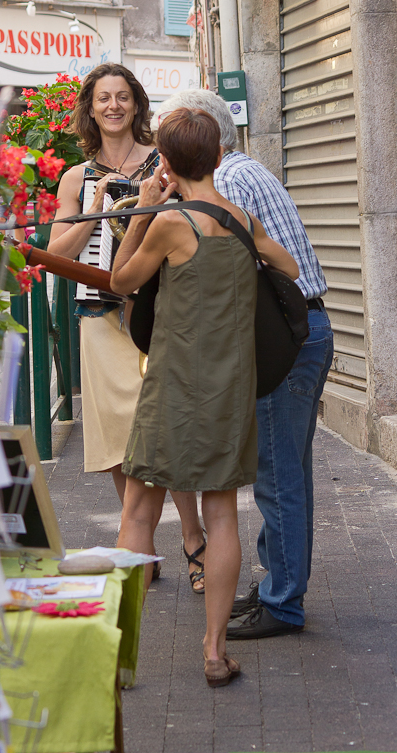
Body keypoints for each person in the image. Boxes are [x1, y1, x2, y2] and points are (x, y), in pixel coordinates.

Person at [110, 108, 299, 685]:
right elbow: (288, 268)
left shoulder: (172, 223)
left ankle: (120, 657)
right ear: (219, 157)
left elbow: (121, 280)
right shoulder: (240, 218)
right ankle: (215, 653)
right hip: (227, 391)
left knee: (139, 511)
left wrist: (145, 210)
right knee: (222, 517)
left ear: (164, 163)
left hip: (171, 388)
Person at [151, 90, 334, 638]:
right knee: (286, 472)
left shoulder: (221, 188)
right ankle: (280, 584)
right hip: (302, 330)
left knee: (278, 478)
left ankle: (283, 603)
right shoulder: (245, 171)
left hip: (284, 339)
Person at [48, 64, 207, 588]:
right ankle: (141, 547)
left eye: (122, 97)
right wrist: (93, 207)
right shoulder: (76, 177)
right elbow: (55, 254)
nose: (113, 106)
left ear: (137, 105)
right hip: (99, 315)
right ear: (90, 109)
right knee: (119, 436)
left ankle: (193, 537)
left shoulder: (164, 165)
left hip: (156, 314)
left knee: (166, 432)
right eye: (102, 99)